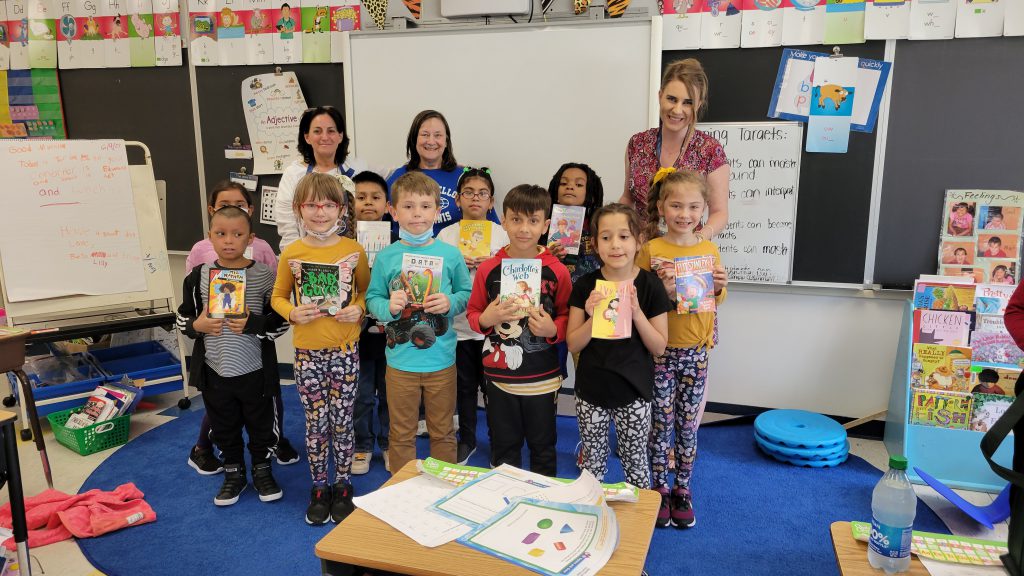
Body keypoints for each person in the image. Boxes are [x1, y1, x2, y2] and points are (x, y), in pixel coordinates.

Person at [271, 172, 370, 525]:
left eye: (328, 205)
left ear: (342, 210)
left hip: (344, 351)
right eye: (311, 205)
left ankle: (342, 484)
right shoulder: (292, 252)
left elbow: (364, 294)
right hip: (306, 354)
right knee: (315, 424)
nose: (320, 212)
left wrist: (359, 308)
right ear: (299, 209)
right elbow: (278, 297)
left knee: (343, 422)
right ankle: (319, 486)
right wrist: (291, 312)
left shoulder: (353, 251)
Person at [176, 207, 289, 506]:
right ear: (209, 236)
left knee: (261, 425)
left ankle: (262, 470)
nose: (229, 241)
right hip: (215, 370)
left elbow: (283, 322)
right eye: (221, 234)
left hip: (255, 370)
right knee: (223, 425)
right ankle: (234, 473)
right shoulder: (198, 276)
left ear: (250, 238)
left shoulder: (266, 276)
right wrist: (196, 326)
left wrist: (255, 324)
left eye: (238, 235)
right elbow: (182, 317)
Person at [365, 172, 473, 475]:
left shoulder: (450, 255)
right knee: (401, 433)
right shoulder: (387, 257)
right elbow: (372, 299)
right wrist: (388, 307)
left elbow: (466, 293)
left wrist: (450, 302)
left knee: (442, 430)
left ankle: (444, 485)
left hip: (441, 360)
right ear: (393, 210)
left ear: (437, 212)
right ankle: (403, 489)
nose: (417, 214)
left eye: (426, 206)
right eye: (409, 206)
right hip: (400, 362)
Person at [638, 169, 728, 529]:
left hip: (696, 351)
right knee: (660, 425)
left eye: (693, 206)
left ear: (705, 208)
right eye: (675, 205)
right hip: (660, 351)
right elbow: (637, 301)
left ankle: (683, 489)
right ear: (661, 207)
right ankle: (659, 488)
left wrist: (720, 286)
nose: (684, 213)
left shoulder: (709, 249)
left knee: (688, 426)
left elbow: (716, 300)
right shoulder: (651, 249)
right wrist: (660, 291)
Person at [467, 185, 572, 476]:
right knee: (504, 445)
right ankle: (507, 505)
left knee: (543, 446)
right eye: (516, 219)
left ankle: (543, 504)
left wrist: (553, 328)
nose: (524, 228)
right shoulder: (489, 268)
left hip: (543, 377)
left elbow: (567, 316)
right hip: (499, 378)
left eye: (533, 220)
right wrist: (487, 318)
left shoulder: (558, 271)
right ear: (503, 220)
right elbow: (473, 314)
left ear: (546, 225)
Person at [566, 203, 670, 488]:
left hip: (634, 391)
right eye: (606, 237)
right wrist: (591, 316)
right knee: (592, 464)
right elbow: (573, 342)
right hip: (591, 389)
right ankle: (593, 520)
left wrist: (637, 313)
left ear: (639, 241)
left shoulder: (650, 286)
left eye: (624, 236)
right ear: (595, 244)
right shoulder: (585, 284)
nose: (615, 245)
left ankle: (637, 524)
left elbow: (659, 346)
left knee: (635, 462)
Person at [436, 168, 510, 465]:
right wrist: (456, 264)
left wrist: (491, 264)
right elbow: (435, 279)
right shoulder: (446, 236)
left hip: (494, 329)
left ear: (491, 201)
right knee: (464, 388)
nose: (475, 198)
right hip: (460, 328)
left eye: (482, 193)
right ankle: (466, 439)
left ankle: (497, 441)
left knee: (494, 388)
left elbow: (516, 276)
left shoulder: (503, 234)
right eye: (469, 192)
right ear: (457, 199)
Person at [620, 58, 729, 240]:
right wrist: (618, 228)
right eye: (671, 99)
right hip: (641, 254)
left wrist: (698, 239)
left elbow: (719, 212)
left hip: (686, 257)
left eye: (688, 102)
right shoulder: (637, 144)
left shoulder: (711, 151)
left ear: (699, 104)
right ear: (660, 95)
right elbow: (627, 199)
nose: (677, 110)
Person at [386, 110, 500, 235]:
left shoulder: (465, 177)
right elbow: (381, 226)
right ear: (414, 140)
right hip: (409, 251)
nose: (431, 141)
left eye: (438, 135)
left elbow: (491, 225)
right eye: (424, 134)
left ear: (446, 141)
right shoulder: (398, 178)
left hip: (459, 252)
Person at [275, 106, 371, 250]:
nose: (325, 137)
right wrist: (297, 258)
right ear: (307, 137)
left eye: (331, 131)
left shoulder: (358, 169)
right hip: (306, 258)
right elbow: (286, 225)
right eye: (317, 131)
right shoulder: (293, 174)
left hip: (348, 255)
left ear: (340, 136)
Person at [350, 171, 393, 475]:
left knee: (390, 393)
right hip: (358, 334)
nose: (368, 203)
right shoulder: (344, 245)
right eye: (360, 197)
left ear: (388, 205)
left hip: (392, 334)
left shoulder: (400, 243)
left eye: (376, 197)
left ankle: (390, 444)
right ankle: (362, 445)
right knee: (362, 395)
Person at [546, 163, 604, 283]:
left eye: (579, 184)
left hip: (591, 290)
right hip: (556, 288)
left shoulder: (599, 226)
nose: (570, 187)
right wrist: (548, 257)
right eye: (563, 183)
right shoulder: (544, 225)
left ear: (591, 195)